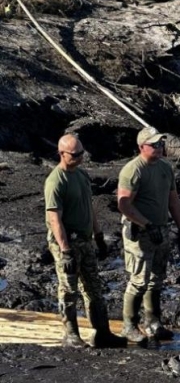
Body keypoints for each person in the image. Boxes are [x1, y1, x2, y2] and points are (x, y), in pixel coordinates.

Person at [44, 134, 127, 348]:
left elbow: (89, 208)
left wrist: (99, 236)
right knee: (68, 288)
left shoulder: (81, 175)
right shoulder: (56, 180)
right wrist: (65, 251)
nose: (81, 157)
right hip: (67, 242)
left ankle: (102, 332)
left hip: (85, 239)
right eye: (75, 154)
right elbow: (54, 218)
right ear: (62, 154)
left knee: (94, 287)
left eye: (82, 153)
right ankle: (71, 335)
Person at [117, 126, 180, 345]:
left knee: (157, 278)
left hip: (162, 229)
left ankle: (153, 321)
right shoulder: (133, 170)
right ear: (141, 147)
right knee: (139, 280)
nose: (158, 148)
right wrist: (146, 225)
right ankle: (129, 325)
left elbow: (173, 199)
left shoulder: (165, 169)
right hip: (140, 232)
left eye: (160, 144)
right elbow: (124, 205)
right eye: (154, 145)